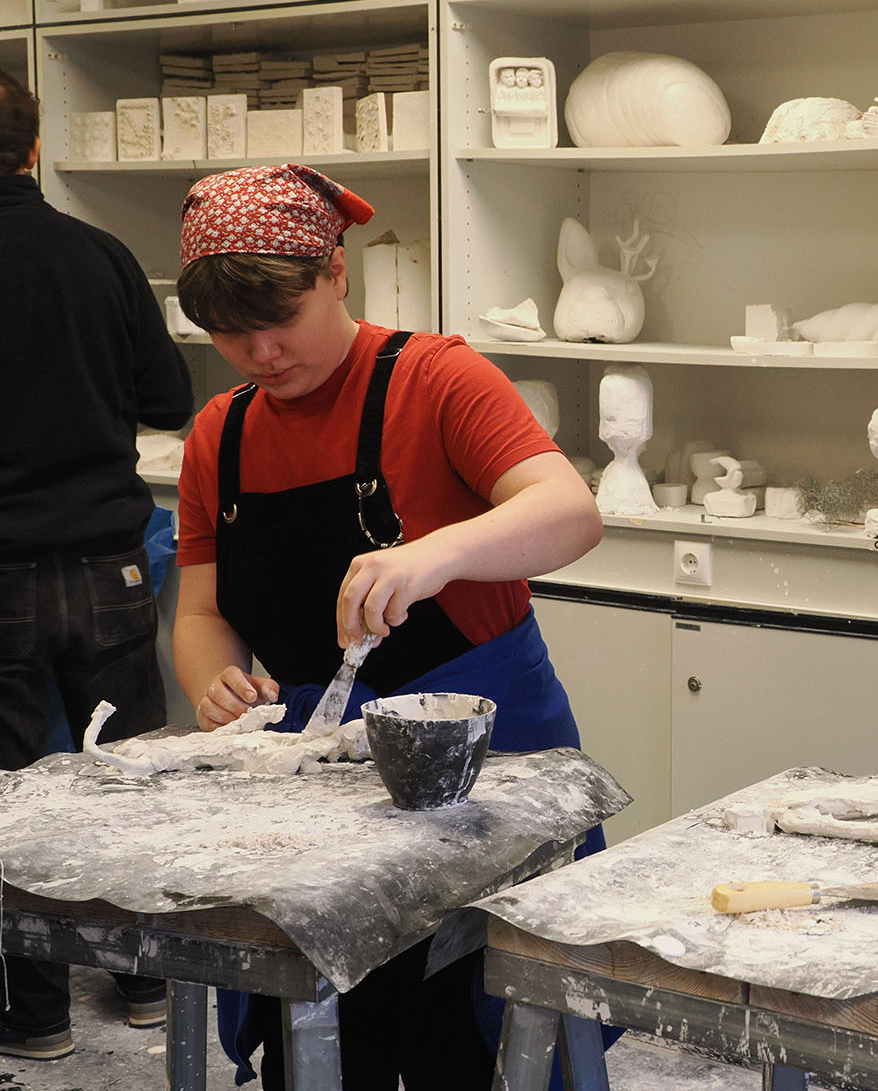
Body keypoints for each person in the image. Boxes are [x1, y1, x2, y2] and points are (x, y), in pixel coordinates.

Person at [170, 163, 604, 1089]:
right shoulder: (220, 434)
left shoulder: (437, 378)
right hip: (320, 798)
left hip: (484, 783)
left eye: (279, 319)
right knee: (327, 1042)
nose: (260, 352)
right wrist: (216, 684)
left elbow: (571, 511)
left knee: (479, 1045)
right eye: (230, 333)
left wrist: (436, 553)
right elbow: (203, 612)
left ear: (337, 272)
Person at [0, 70, 193, 1059]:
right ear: (35, 150)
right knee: (124, 777)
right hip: (110, 562)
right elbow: (171, 400)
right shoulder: (101, 255)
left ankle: (36, 1015)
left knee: (11, 793)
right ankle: (150, 981)